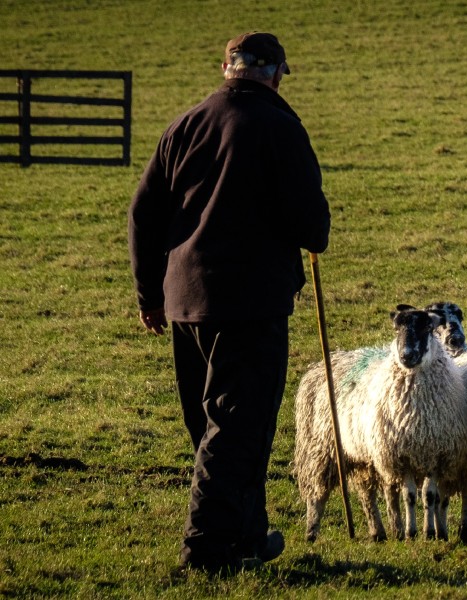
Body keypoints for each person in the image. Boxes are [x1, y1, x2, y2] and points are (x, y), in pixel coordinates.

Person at [128, 31, 331, 573]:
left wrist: (150, 295)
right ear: (275, 73)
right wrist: (311, 227)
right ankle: (206, 552)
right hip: (250, 304)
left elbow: (142, 213)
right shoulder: (282, 128)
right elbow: (312, 226)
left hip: (184, 303)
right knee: (236, 430)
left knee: (212, 426)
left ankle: (248, 536)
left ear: (227, 69)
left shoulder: (184, 125)